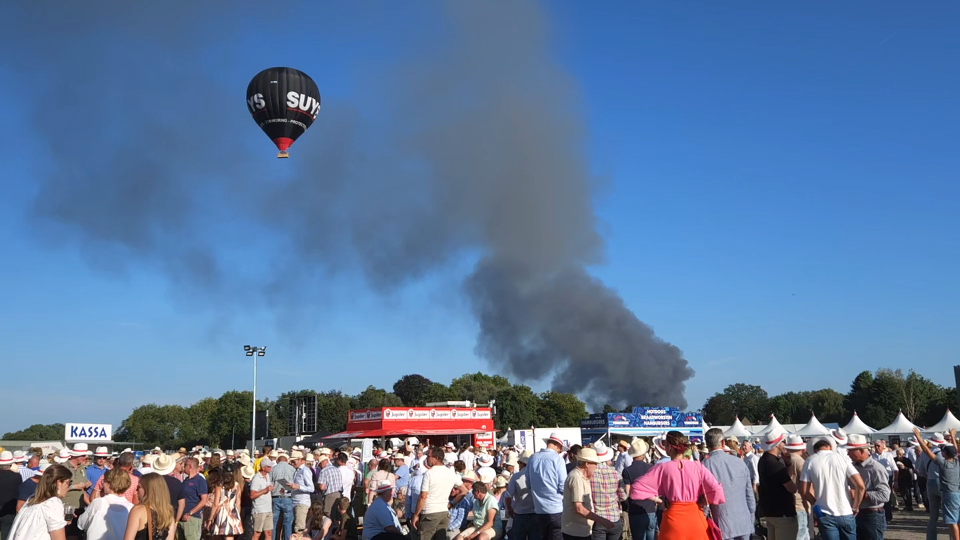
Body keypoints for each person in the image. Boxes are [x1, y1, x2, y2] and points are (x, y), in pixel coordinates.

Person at [628, 431, 725, 540]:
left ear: (669, 447)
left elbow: (636, 488)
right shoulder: (698, 467)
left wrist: (658, 500)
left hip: (673, 520)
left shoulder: (662, 468)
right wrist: (704, 501)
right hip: (695, 517)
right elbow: (717, 491)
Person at [799, 437, 865, 540]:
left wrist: (816, 504)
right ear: (830, 447)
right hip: (846, 511)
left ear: (814, 450)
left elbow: (804, 491)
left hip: (825, 513)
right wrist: (855, 506)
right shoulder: (842, 458)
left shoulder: (810, 461)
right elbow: (860, 486)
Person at [702, 428, 755, 540]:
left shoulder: (705, 466)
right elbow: (749, 495)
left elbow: (705, 499)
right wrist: (751, 517)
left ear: (707, 445)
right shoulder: (739, 462)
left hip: (721, 523)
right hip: (743, 521)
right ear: (723, 443)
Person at [412, 447, 467, 540]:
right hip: (444, 513)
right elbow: (464, 491)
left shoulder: (429, 473)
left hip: (430, 512)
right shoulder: (450, 473)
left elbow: (423, 497)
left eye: (428, 456)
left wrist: (416, 515)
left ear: (436, 458)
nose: (427, 458)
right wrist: (451, 504)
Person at [914, 427, 959, 540]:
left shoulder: (940, 461)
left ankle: (931, 538)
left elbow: (926, 453)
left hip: (932, 483)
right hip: (949, 489)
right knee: (954, 518)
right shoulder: (955, 461)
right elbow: (956, 451)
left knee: (934, 517)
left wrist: (918, 437)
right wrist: (953, 436)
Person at [7, 465, 72, 540]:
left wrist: (61, 518)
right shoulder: (53, 503)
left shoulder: (32, 499)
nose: (69, 487)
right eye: (68, 482)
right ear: (58, 483)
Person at [846, 435, 890, 540]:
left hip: (872, 515)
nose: (848, 454)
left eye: (851, 451)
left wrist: (860, 493)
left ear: (861, 451)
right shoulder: (852, 467)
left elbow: (884, 495)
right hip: (857, 514)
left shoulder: (876, 468)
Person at [561, 448, 612, 540]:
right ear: (587, 464)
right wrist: (602, 520)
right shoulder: (576, 478)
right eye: (595, 464)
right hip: (575, 532)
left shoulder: (583, 477)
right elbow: (579, 508)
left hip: (582, 530)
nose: (596, 466)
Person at [527, 432, 569, 540]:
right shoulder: (558, 460)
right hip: (556, 508)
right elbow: (562, 486)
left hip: (539, 508)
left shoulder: (532, 458)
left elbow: (528, 483)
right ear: (558, 446)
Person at [756, 431, 796, 540]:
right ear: (777, 444)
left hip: (770, 511)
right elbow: (791, 487)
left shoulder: (763, 460)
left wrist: (787, 464)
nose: (784, 444)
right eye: (782, 442)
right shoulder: (775, 464)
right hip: (782, 512)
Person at [79, 468, 134, 540]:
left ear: (110, 484)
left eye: (104, 481)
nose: (102, 483)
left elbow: (81, 524)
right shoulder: (131, 507)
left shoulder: (99, 502)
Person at [121, 473, 175, 540]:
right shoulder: (168, 513)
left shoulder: (138, 511)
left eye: (138, 487)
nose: (136, 490)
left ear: (148, 489)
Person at [586, 443, 623, 540]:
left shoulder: (589, 475)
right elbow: (623, 496)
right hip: (614, 517)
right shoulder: (616, 474)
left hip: (597, 518)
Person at [621, 440, 655, 540]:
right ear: (644, 453)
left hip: (635, 510)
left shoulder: (627, 470)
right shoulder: (651, 468)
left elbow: (628, 492)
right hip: (650, 509)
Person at [782, 435, 813, 540]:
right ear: (802, 448)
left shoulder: (783, 460)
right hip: (801, 503)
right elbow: (807, 484)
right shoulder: (801, 462)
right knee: (801, 532)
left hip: (789, 502)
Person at [179, 458, 209, 540]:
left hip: (192, 517)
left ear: (190, 466)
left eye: (185, 465)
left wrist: (190, 513)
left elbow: (203, 500)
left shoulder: (200, 480)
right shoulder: (186, 480)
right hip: (181, 516)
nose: (183, 466)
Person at [210, 463, 243, 540]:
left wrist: (210, 518)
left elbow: (215, 504)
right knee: (229, 535)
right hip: (233, 511)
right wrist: (237, 516)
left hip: (221, 511)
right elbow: (238, 503)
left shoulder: (219, 485)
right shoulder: (237, 485)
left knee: (217, 535)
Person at [250, 459, 274, 540]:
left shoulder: (267, 476)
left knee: (269, 533)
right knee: (257, 533)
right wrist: (265, 490)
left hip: (268, 509)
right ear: (263, 467)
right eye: (268, 466)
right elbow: (252, 495)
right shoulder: (256, 478)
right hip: (259, 510)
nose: (270, 468)